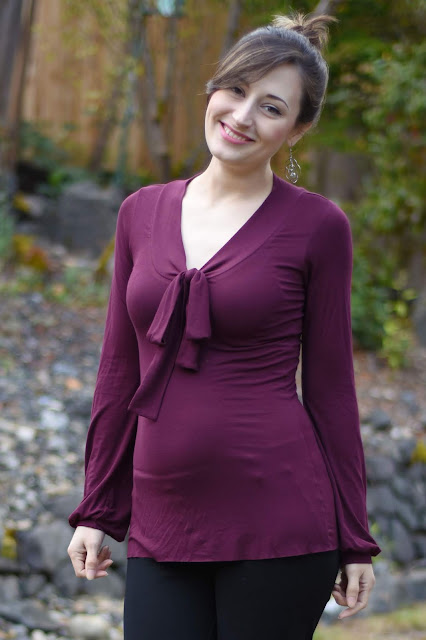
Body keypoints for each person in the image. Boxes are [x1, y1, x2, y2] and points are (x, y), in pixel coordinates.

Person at [67, 10, 381, 639]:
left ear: (298, 128)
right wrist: (98, 506)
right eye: (235, 91)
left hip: (279, 523)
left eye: (271, 107)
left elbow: (330, 390)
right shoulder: (140, 213)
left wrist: (354, 536)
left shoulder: (319, 227)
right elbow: (119, 372)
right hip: (162, 521)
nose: (242, 116)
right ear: (213, 90)